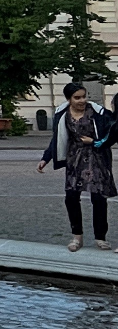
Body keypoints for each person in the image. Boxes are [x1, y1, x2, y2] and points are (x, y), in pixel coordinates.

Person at [39, 82, 115, 251]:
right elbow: (57, 139)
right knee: (71, 197)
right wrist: (46, 158)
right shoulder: (62, 114)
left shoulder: (98, 112)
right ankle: (77, 237)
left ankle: (100, 237)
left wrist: (96, 142)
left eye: (84, 96)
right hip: (75, 160)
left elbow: (114, 130)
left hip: (96, 158)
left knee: (98, 199)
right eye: (77, 97)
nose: (82, 100)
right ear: (69, 99)